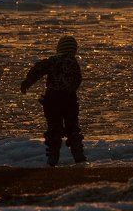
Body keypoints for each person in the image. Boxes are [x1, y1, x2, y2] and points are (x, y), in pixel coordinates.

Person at [20, 35, 87, 166]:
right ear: (74, 50)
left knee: (54, 129)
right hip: (69, 100)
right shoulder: (73, 63)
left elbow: (37, 69)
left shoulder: (52, 61)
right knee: (73, 129)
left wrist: (27, 82)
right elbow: (78, 80)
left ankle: (52, 158)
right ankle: (79, 156)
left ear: (58, 49)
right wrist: (70, 89)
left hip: (52, 100)